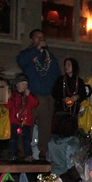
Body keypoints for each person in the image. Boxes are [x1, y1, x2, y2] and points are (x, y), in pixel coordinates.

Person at [16, 29, 61, 159]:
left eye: (42, 37)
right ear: (32, 40)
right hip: (31, 96)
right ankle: (23, 151)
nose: (41, 40)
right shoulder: (28, 54)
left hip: (46, 97)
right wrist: (36, 49)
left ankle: (43, 152)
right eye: (37, 37)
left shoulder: (50, 58)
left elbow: (56, 75)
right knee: (26, 125)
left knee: (45, 127)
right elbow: (21, 61)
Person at [6, 74, 39, 161]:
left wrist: (29, 96)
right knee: (13, 139)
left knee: (27, 140)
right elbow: (8, 106)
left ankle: (28, 155)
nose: (24, 86)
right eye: (23, 84)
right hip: (15, 121)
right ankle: (12, 155)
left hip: (26, 122)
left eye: (26, 85)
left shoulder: (28, 96)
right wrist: (8, 97)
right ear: (17, 85)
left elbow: (34, 104)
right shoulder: (13, 96)